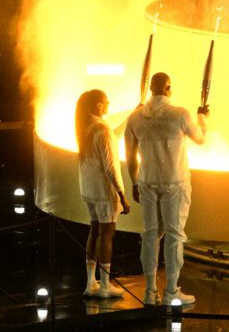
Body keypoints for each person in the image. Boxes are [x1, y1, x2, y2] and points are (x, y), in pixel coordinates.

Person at [125, 72, 208, 306]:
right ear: (169, 88)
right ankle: (172, 291)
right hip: (176, 184)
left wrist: (134, 182)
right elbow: (200, 139)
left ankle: (149, 291)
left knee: (150, 235)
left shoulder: (135, 118)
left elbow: (130, 156)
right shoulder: (180, 114)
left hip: (147, 183)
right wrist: (203, 120)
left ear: (151, 89)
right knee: (174, 236)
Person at [75, 89, 130, 299]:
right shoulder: (102, 130)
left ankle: (91, 283)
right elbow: (110, 167)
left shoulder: (85, 127)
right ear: (98, 105)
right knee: (107, 235)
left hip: (88, 189)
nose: (108, 104)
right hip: (104, 190)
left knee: (94, 230)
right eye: (106, 102)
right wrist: (122, 194)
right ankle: (106, 285)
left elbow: (111, 133)